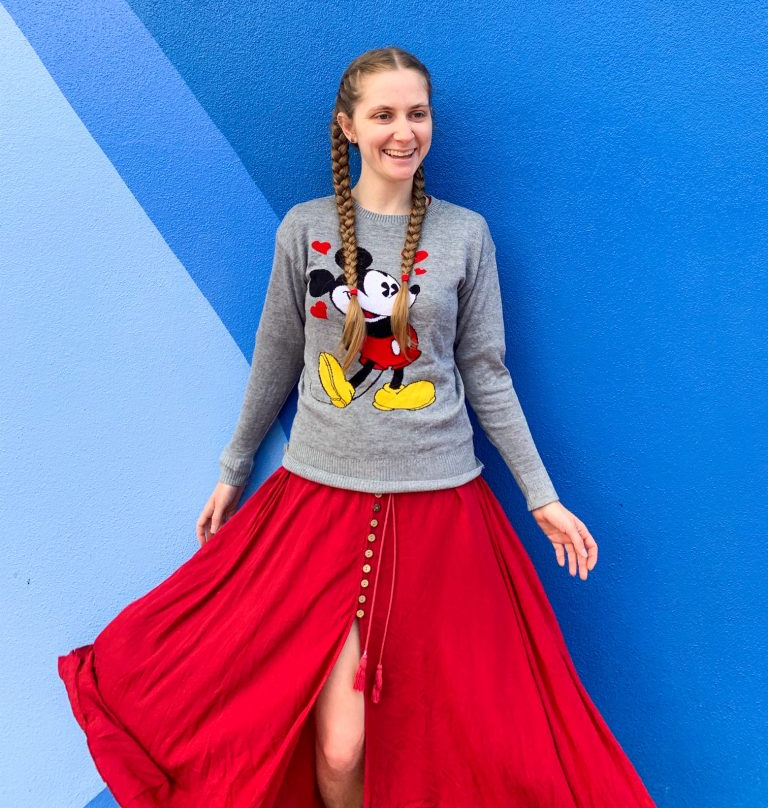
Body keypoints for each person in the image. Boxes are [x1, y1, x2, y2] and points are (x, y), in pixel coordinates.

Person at [58, 46, 656, 808]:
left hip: (444, 516)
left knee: (462, 736)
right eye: (384, 115)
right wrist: (233, 467)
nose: (403, 131)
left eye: (417, 113)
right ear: (348, 126)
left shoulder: (465, 235)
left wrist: (541, 497)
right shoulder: (304, 229)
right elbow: (276, 357)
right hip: (316, 509)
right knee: (339, 748)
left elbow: (487, 373)